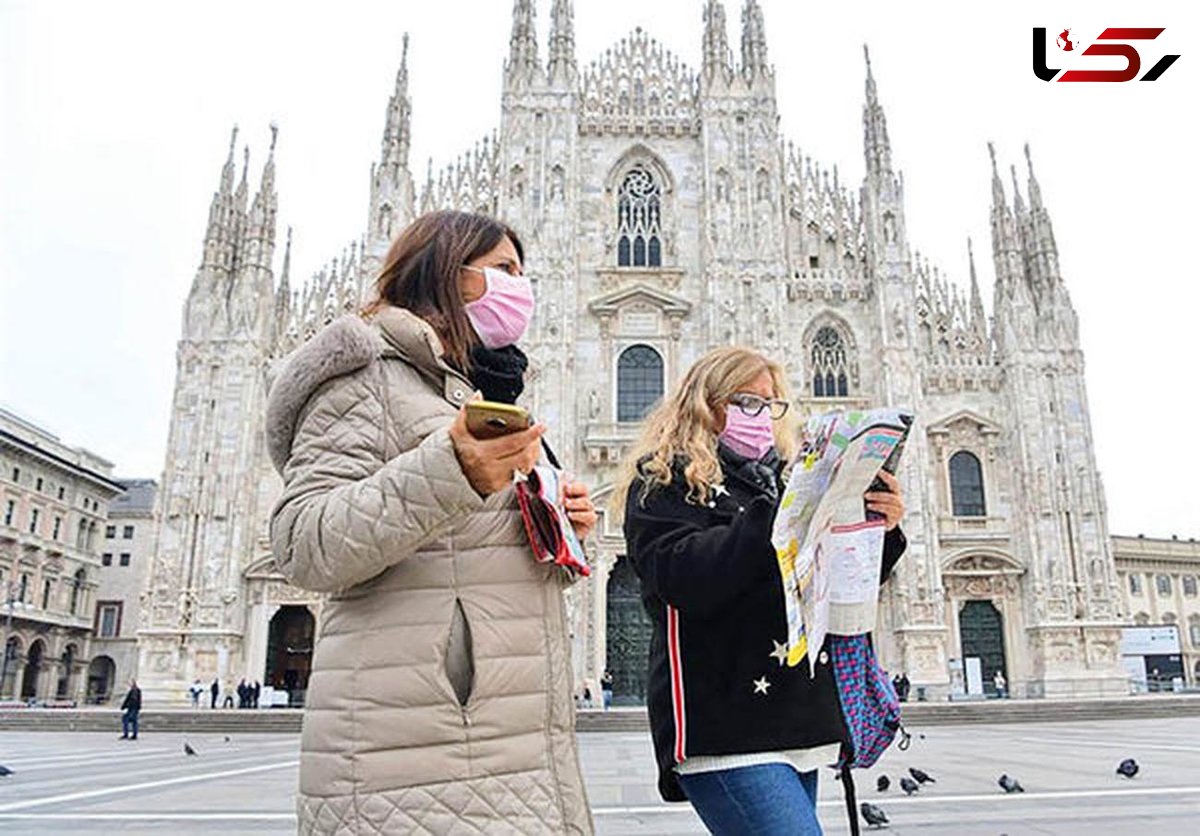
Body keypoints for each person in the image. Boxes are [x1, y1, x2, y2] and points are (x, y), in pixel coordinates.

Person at [267, 210, 597, 834]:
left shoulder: (483, 391)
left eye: (524, 274)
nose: (520, 287)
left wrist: (561, 527)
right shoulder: (365, 378)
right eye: (504, 271)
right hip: (413, 752)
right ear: (449, 274)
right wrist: (453, 472)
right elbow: (302, 542)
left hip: (513, 742)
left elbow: (463, 552)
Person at [615, 347, 907, 836]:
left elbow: (822, 583)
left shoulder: (780, 478)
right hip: (724, 721)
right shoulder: (662, 481)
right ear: (707, 404)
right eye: (747, 402)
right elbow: (682, 576)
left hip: (793, 714)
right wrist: (784, 512)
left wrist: (877, 527)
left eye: (771, 405)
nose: (763, 416)